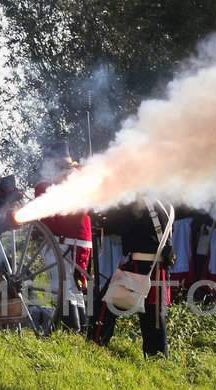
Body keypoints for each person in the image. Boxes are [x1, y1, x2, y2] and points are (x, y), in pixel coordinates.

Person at [88, 196, 176, 357]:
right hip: (159, 270)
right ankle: (158, 358)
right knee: (154, 319)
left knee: (105, 305)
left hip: (138, 267)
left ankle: (95, 345)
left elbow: (118, 225)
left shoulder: (138, 202)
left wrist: (97, 219)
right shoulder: (167, 205)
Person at [33, 144, 92, 330]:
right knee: (75, 289)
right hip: (83, 242)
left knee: (63, 288)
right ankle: (81, 329)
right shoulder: (85, 177)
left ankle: (70, 330)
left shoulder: (48, 186)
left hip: (62, 241)